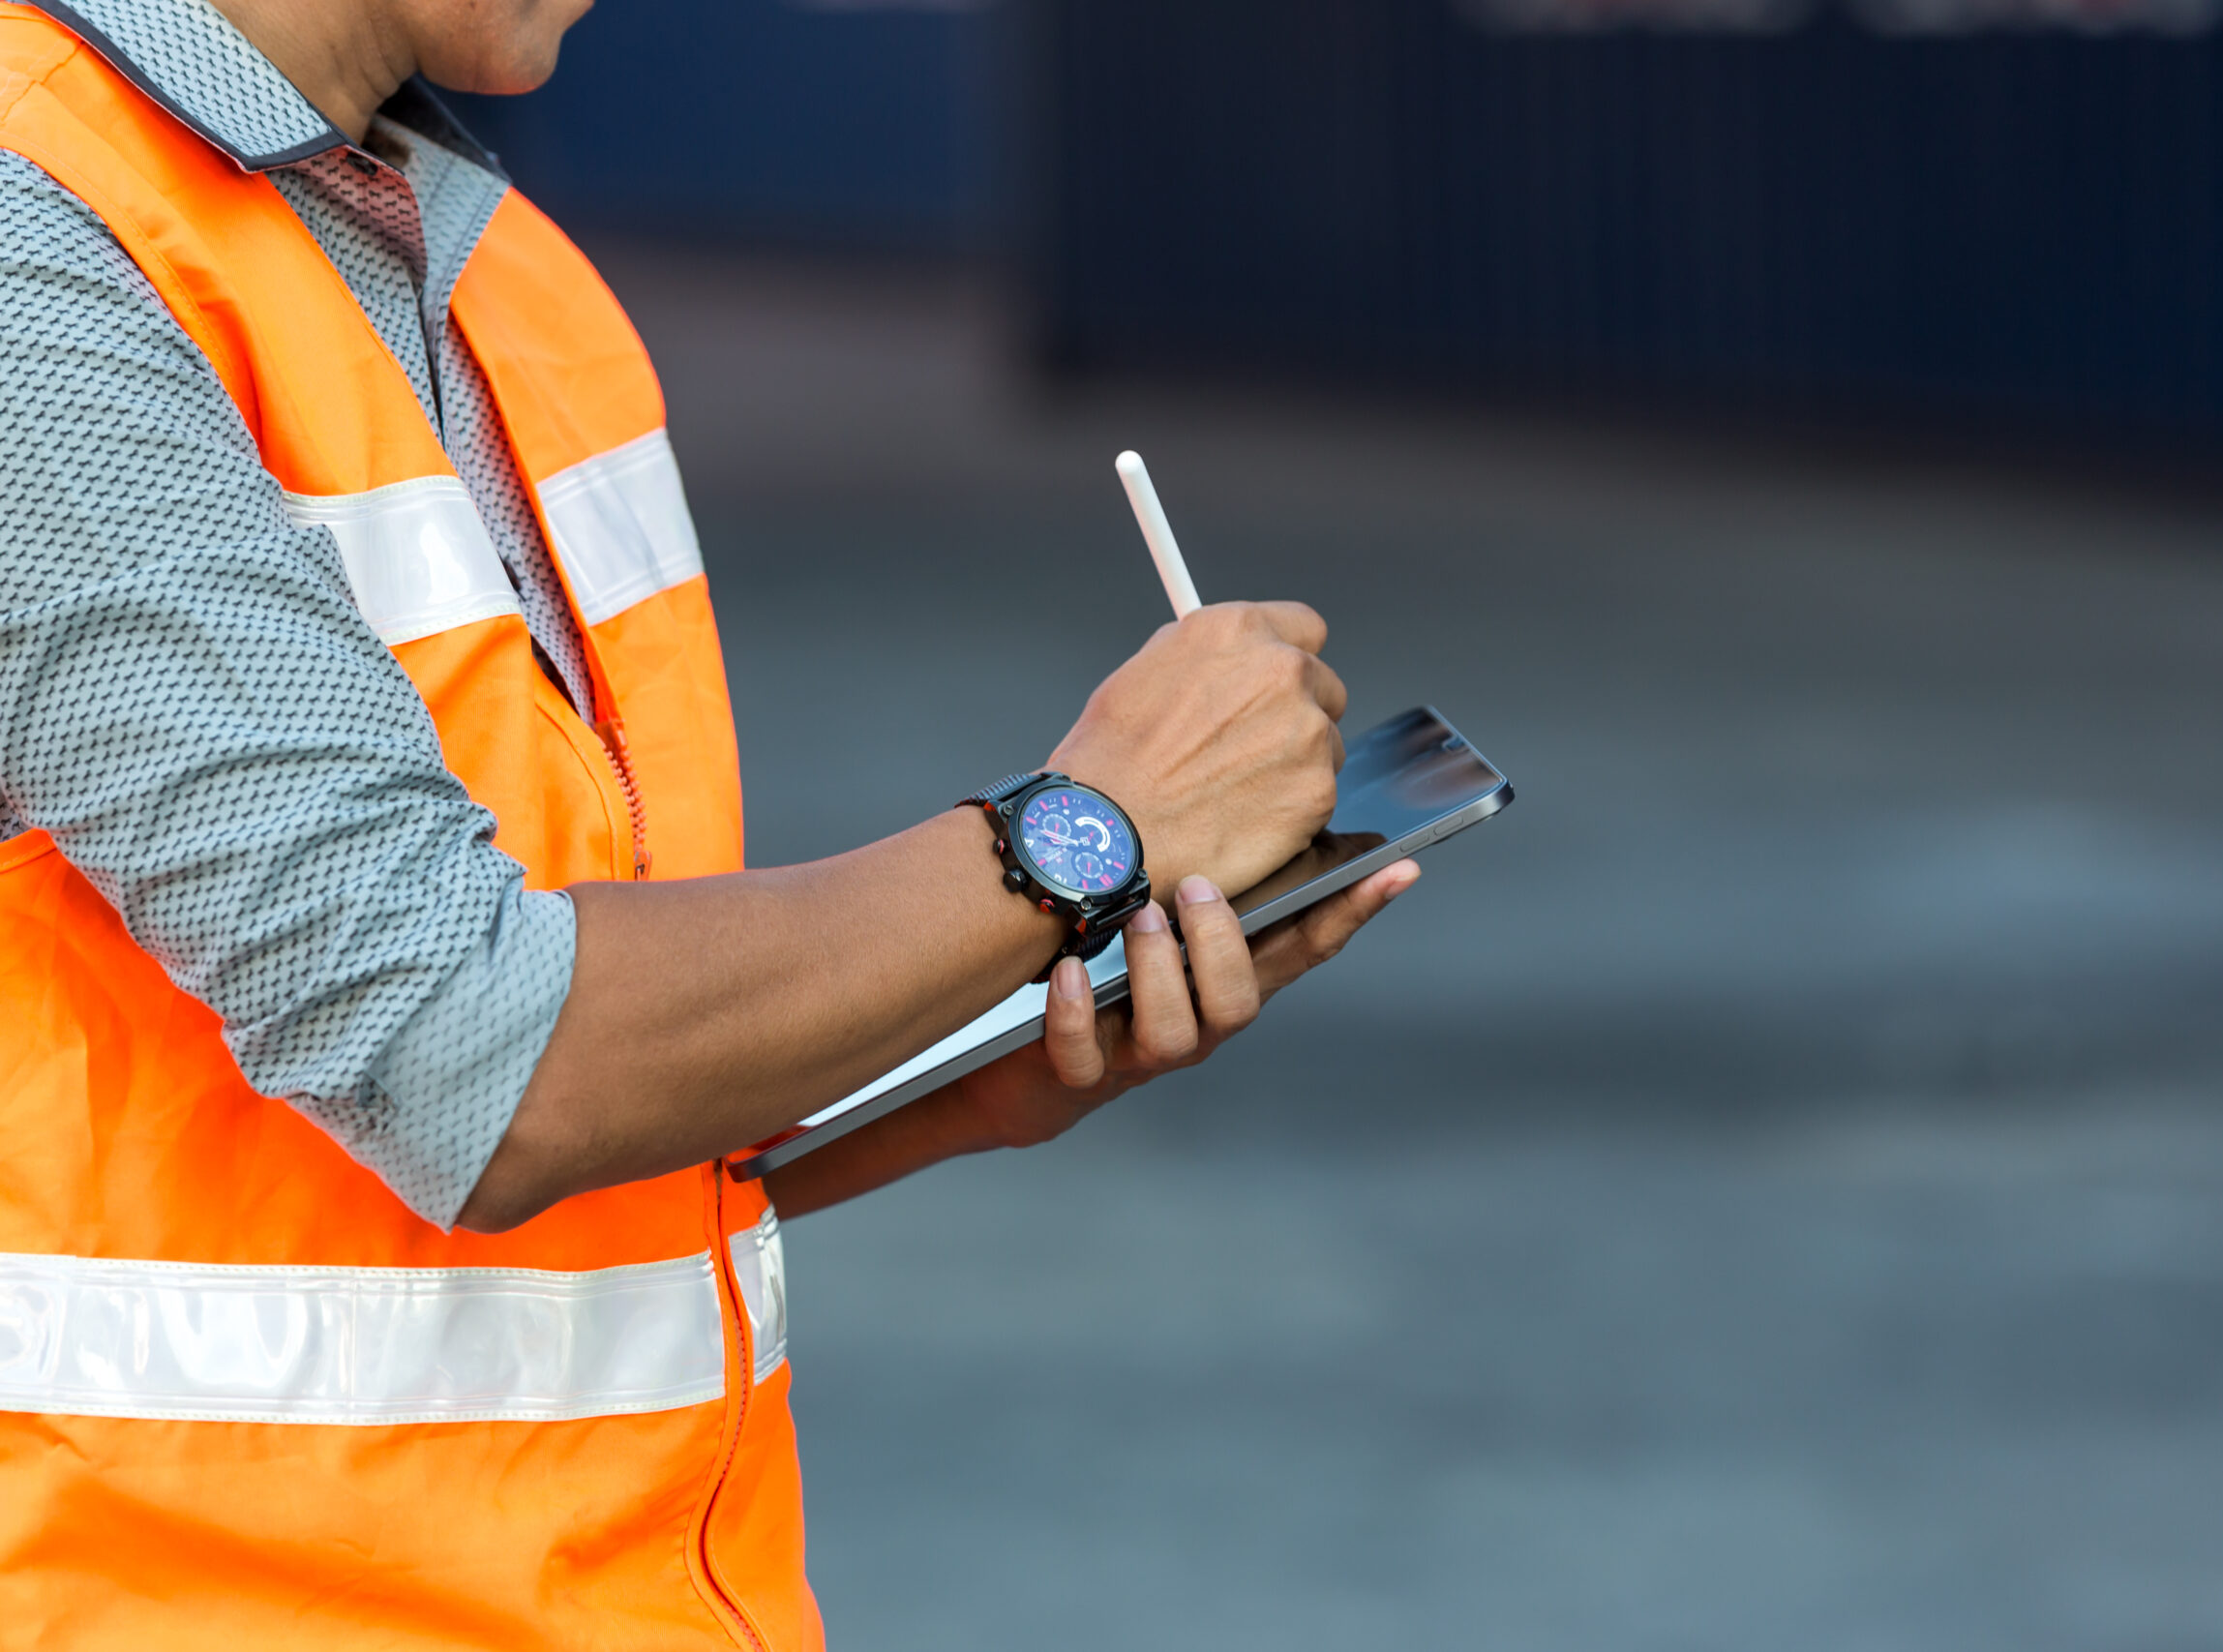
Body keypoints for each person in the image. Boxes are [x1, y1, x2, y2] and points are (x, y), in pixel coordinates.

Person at [0, 0, 1417, 1642]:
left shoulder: (509, 283)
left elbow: (597, 1084)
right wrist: (1070, 844)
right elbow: (464, 1045)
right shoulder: (39, 252)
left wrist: (976, 1041)